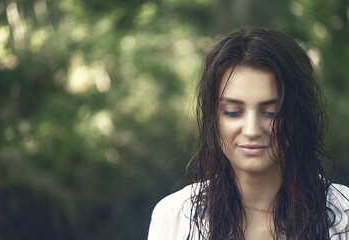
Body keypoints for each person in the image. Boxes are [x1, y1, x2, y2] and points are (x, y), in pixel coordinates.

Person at [147, 26, 349, 240]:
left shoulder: (344, 214)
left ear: (297, 116)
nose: (252, 130)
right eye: (233, 112)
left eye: (271, 113)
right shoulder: (174, 217)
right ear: (213, 119)